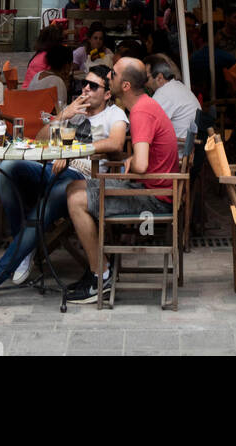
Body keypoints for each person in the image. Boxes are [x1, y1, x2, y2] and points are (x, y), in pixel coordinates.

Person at [0, 65, 128, 304]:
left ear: (107, 94)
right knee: (7, 168)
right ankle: (24, 248)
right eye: (84, 84)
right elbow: (39, 139)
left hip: (80, 179)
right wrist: (63, 116)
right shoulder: (76, 112)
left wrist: (72, 153)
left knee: (44, 206)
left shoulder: (114, 115)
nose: (86, 89)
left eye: (93, 86)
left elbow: (116, 143)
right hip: (52, 169)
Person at [65, 57, 180, 303]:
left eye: (113, 75)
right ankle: (100, 265)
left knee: (76, 199)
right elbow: (141, 159)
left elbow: (141, 165)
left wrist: (132, 161)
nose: (108, 77)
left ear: (125, 86)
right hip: (153, 189)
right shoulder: (145, 104)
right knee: (73, 186)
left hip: (154, 199)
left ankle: (100, 276)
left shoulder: (140, 112)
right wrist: (132, 160)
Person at [146, 54, 201, 141]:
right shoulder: (177, 86)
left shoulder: (163, 94)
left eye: (146, 79)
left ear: (160, 78)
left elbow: (146, 127)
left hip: (175, 151)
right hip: (187, 149)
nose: (145, 84)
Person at [26, 43, 73, 111]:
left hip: (30, 113)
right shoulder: (58, 81)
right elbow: (61, 110)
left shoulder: (38, 74)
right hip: (44, 118)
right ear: (67, 65)